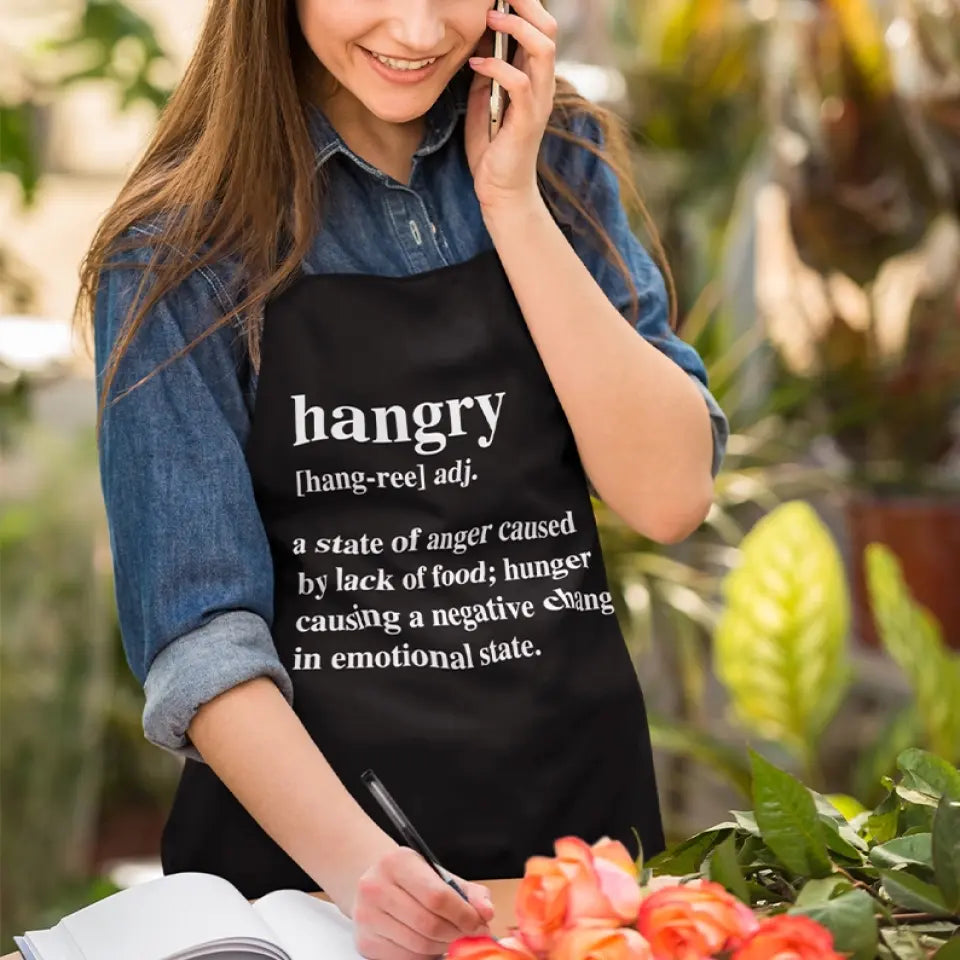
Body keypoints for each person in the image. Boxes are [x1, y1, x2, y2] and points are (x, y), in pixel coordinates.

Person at [79, 1, 729, 958]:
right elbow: (199, 641)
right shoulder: (175, 247)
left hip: (573, 874)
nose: (422, 31)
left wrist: (511, 201)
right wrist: (366, 874)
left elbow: (670, 494)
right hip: (311, 900)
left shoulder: (559, 157)